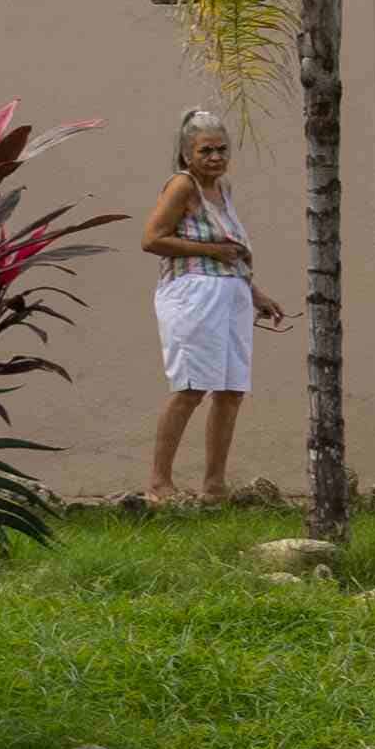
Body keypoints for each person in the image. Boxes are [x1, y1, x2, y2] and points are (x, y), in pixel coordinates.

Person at [138, 106, 283, 505]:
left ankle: (214, 486)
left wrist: (257, 295)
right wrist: (211, 251)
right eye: (206, 151)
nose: (215, 157)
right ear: (188, 154)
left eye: (221, 149)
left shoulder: (224, 190)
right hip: (192, 296)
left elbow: (230, 254)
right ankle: (159, 483)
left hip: (230, 293)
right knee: (191, 386)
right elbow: (152, 239)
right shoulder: (182, 186)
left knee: (231, 390)